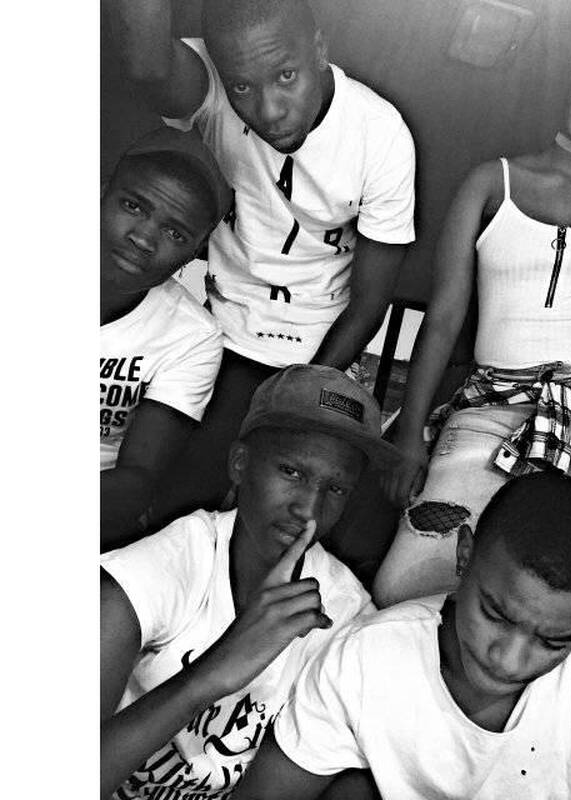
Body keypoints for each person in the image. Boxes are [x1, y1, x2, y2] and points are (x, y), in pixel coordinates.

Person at [374, 6, 571, 630]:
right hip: (491, 405)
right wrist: (410, 434)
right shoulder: (489, 183)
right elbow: (444, 318)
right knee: (402, 591)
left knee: (558, 592)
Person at [107, 0, 416, 519]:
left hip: (320, 349)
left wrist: (297, 394)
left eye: (286, 76)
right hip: (219, 334)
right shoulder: (212, 89)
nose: (269, 110)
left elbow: (368, 305)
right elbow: (145, 64)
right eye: (243, 87)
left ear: (319, 49)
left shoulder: (380, 133)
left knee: (310, 510)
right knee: (174, 506)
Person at [234, 471, 571, 800]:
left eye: (554, 642)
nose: (509, 660)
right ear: (464, 555)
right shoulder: (365, 659)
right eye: (495, 614)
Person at [101, 365, 399, 800]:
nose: (308, 509)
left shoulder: (347, 614)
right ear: (240, 464)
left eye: (335, 489)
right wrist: (215, 672)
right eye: (292, 472)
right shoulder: (157, 571)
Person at [101, 126, 230, 549]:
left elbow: (137, 482)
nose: (143, 238)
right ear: (101, 192)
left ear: (195, 251)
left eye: (175, 234)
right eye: (133, 206)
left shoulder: (192, 336)